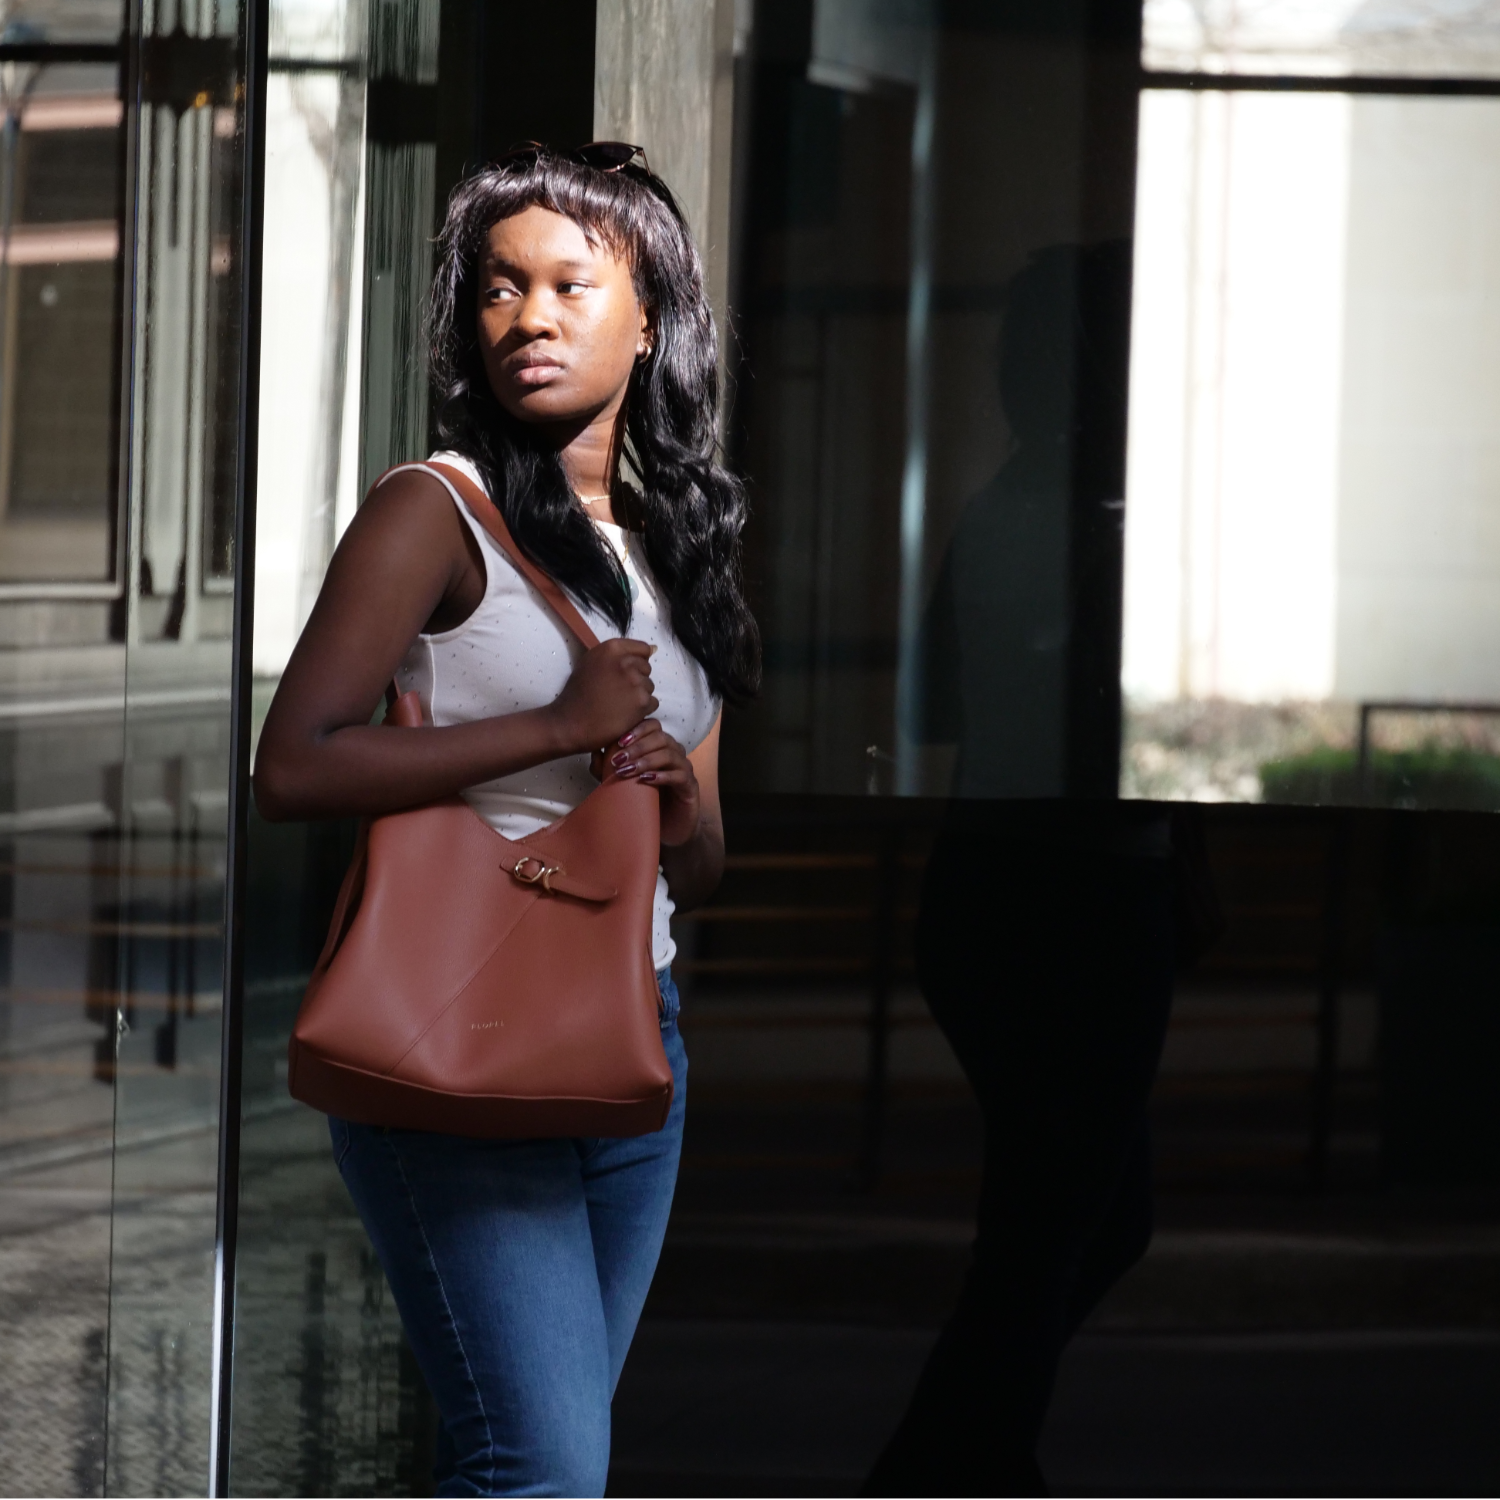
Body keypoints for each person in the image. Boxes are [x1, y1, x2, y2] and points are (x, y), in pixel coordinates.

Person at [253, 142, 759, 1498]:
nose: (526, 315)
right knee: (539, 1471)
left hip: (633, 1045)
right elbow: (292, 767)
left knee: (537, 1465)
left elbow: (699, 867)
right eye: (497, 286)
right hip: (463, 1044)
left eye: (567, 285)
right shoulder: (436, 513)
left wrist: (663, 796)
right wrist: (552, 729)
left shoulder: (673, 546)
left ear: (649, 312)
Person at [865, 245, 1196, 1496]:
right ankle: (941, 1475)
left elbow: (945, 699)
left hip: (1005, 878)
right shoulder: (1098, 512)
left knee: (1084, 1221)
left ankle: (964, 1460)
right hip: (1076, 890)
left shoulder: (1012, 498)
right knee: (1057, 1232)